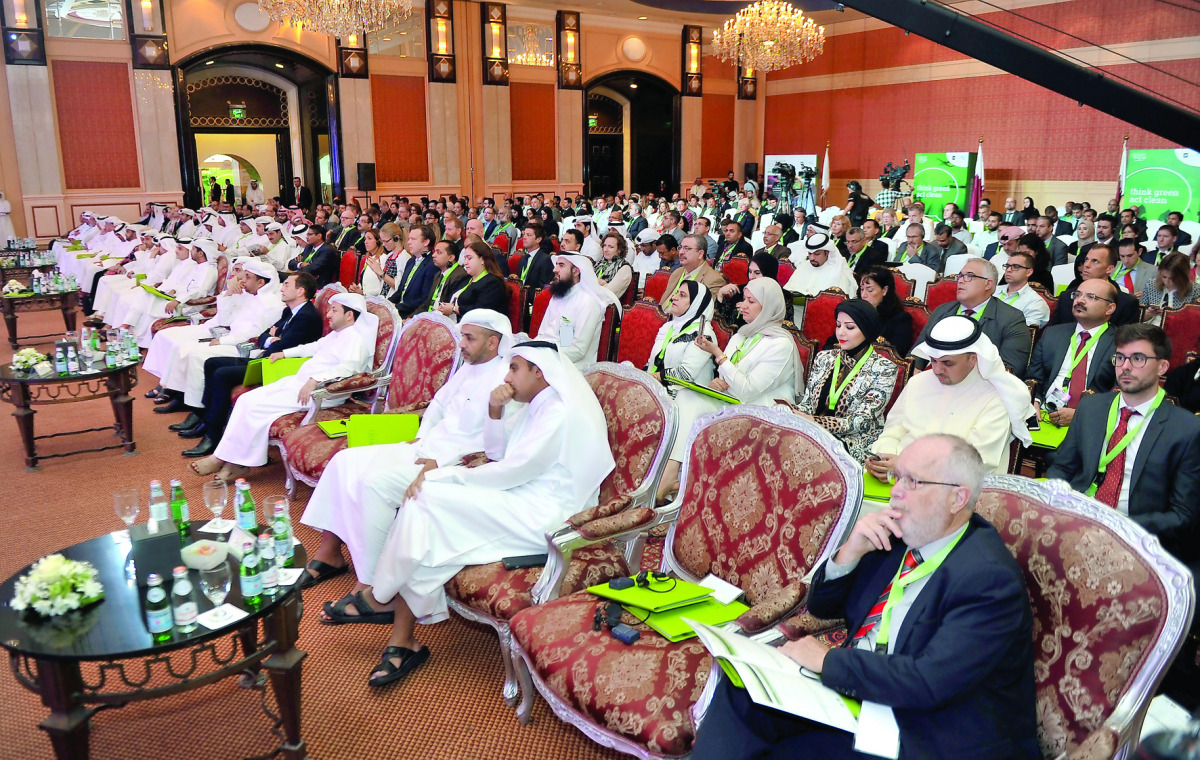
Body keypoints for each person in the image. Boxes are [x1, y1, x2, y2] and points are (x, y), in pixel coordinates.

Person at [693, 433, 1038, 760]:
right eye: (896, 477)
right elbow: (822, 606)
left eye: (913, 482)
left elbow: (927, 682)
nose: (896, 492)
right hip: (865, 695)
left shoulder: (988, 579)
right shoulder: (899, 535)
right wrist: (850, 552)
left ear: (957, 498)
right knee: (741, 694)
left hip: (927, 728)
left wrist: (827, 661)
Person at [359, 341, 615, 688]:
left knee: (428, 497)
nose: (507, 376)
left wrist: (444, 475)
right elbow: (497, 453)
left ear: (538, 372)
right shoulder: (534, 404)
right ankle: (399, 635)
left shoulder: (558, 412)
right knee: (427, 518)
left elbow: (515, 470)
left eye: (514, 368)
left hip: (547, 515)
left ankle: (382, 598)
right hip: (518, 498)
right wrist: (495, 409)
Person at [299, 310, 514, 593]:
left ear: (493, 343)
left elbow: (497, 441)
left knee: (373, 484)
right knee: (343, 461)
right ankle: (330, 554)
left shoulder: (506, 380)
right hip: (425, 446)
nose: (461, 344)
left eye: (469, 338)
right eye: (461, 336)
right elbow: (438, 405)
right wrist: (422, 437)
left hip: (451, 463)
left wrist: (440, 460)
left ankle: (372, 583)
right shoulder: (470, 367)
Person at [1047, 324, 1200, 592]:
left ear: (1162, 367)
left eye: (1138, 358)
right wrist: (1058, 503)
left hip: (1138, 537)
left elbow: (1182, 515)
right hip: (1078, 522)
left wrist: (1116, 525)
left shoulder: (1186, 429)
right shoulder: (1092, 408)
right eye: (1120, 358)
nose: (1125, 366)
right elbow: (1062, 466)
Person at [189, 292, 375, 481]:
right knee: (246, 400)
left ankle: (221, 459)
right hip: (297, 384)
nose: (328, 315)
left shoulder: (355, 340)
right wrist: (284, 353)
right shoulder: (337, 335)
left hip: (319, 393)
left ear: (349, 315)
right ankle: (233, 463)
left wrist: (315, 380)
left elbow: (348, 369)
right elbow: (312, 347)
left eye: (334, 310)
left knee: (255, 407)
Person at [665, 278, 803, 501]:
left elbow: (748, 390)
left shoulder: (781, 344)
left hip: (762, 411)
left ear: (768, 306)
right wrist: (718, 381)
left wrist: (718, 355)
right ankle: (673, 475)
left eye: (751, 301)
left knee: (691, 402)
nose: (743, 305)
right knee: (686, 394)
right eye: (744, 299)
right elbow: (726, 378)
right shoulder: (742, 334)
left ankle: (673, 479)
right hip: (732, 400)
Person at [869, 316, 1034, 476]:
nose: (937, 370)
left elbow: (975, 462)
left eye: (947, 363)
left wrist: (904, 467)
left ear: (973, 359)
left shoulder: (996, 398)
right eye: (933, 361)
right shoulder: (918, 383)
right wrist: (883, 459)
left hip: (953, 491)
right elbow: (893, 429)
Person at [182, 272, 324, 455]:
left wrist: (272, 340)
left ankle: (214, 434)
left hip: (280, 368)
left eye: (287, 284)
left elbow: (282, 346)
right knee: (211, 363)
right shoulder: (289, 310)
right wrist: (271, 339)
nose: (281, 288)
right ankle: (204, 418)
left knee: (222, 374)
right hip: (267, 358)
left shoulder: (307, 317)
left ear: (300, 291)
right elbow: (263, 336)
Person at [144, 259, 283, 415]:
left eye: (247, 277)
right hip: (231, 339)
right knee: (185, 349)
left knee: (195, 355)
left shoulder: (271, 305)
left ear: (261, 282)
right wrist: (228, 294)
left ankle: (196, 408)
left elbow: (253, 335)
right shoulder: (253, 296)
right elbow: (225, 320)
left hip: (245, 348)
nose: (242, 280)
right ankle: (180, 396)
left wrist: (223, 341)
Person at [790, 299, 900, 461]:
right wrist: (792, 411)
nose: (840, 333)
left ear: (866, 330)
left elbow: (861, 421)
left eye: (849, 327)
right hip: (813, 432)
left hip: (854, 441)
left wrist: (816, 422)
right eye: (838, 325)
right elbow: (808, 404)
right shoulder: (824, 358)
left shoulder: (884, 369)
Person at [912, 258, 1033, 377]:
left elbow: (1011, 368)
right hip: (934, 378)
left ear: (988, 284)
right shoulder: (942, 311)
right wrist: (915, 368)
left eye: (969, 276)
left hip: (980, 387)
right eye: (960, 276)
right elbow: (918, 352)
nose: (960, 281)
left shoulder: (1011, 318)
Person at [535, 252, 619, 369]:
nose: (555, 269)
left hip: (572, 367)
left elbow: (578, 351)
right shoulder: (557, 296)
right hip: (546, 357)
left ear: (576, 271)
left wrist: (545, 357)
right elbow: (542, 334)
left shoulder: (587, 302)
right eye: (556, 265)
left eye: (561, 265)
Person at [1049, 244, 1141, 328]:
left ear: (1109, 269)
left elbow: (1126, 341)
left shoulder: (1126, 303)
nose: (1086, 265)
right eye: (1086, 260)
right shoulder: (1066, 296)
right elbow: (1054, 331)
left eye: (1095, 261)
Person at [659, 234, 728, 307]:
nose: (681, 252)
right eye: (680, 247)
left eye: (687, 248)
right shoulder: (677, 272)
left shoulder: (713, 280)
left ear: (700, 254)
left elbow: (704, 313)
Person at [859, 267, 914, 355]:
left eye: (870, 290)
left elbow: (897, 353)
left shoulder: (901, 319)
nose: (863, 295)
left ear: (885, 290)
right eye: (862, 289)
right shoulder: (856, 313)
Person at [785, 232, 857, 297]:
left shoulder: (838, 271)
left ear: (827, 253)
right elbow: (788, 291)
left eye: (817, 254)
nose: (812, 258)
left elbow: (839, 300)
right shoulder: (803, 266)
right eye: (810, 254)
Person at [390, 224, 437, 318]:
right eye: (409, 239)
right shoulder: (411, 261)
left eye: (413, 239)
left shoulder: (432, 265)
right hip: (399, 310)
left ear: (426, 242)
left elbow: (423, 299)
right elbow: (400, 291)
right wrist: (387, 303)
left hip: (413, 314)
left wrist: (397, 307)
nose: (408, 243)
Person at [994, 251, 1051, 327]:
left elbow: (1022, 332)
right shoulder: (993, 290)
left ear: (1029, 272)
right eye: (1007, 266)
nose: (1008, 270)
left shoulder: (1035, 303)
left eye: (1015, 267)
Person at [1140, 252, 1200, 322]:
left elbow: (1194, 322)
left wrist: (1171, 316)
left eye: (1172, 278)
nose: (1166, 282)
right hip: (1149, 327)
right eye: (1164, 277)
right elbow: (1138, 315)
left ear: (1182, 277)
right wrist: (1149, 314)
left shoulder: (1195, 290)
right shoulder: (1151, 284)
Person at [420, 240, 469, 316]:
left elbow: (449, 305)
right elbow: (427, 303)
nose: (433, 255)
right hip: (431, 317)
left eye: (439, 252)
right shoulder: (438, 274)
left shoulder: (461, 276)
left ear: (451, 257)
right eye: (434, 251)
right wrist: (412, 318)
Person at [516, 221, 554, 289]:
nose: (524, 237)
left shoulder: (545, 260)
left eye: (529, 235)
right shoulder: (522, 258)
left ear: (538, 239)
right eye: (524, 234)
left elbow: (543, 288)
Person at [594, 231, 633, 299]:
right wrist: (601, 282)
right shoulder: (600, 263)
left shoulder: (624, 268)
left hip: (608, 305)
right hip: (592, 299)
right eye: (604, 246)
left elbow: (609, 293)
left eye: (611, 247)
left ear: (619, 250)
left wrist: (594, 281)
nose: (605, 250)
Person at [354, 229, 387, 297]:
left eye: (369, 239)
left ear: (378, 241)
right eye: (365, 239)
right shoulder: (369, 258)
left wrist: (363, 292)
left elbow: (384, 285)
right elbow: (366, 282)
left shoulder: (383, 258)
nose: (366, 242)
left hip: (375, 300)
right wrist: (357, 288)